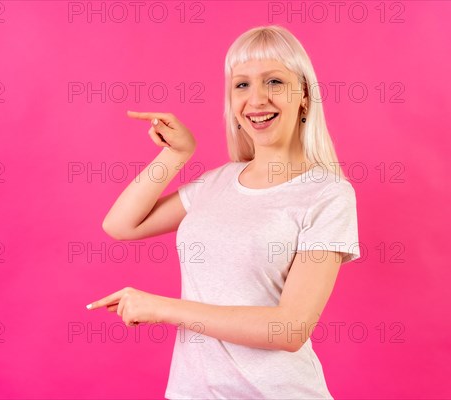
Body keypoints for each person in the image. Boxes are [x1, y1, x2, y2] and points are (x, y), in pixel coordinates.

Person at [87, 25, 360, 399]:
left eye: (274, 81)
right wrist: (176, 153)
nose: (256, 99)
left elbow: (290, 329)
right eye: (241, 84)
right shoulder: (216, 183)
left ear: (305, 96)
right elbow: (121, 225)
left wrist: (162, 309)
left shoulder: (328, 193)